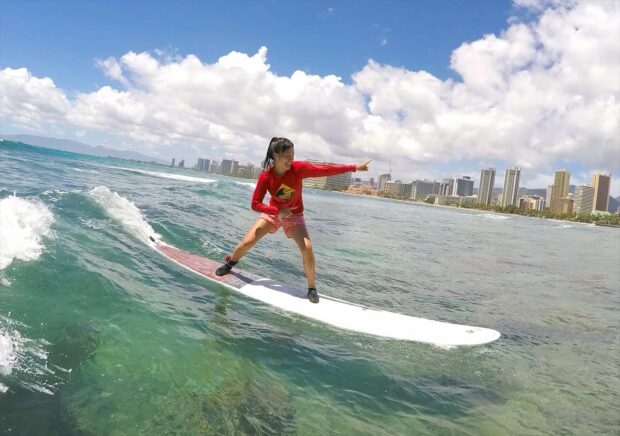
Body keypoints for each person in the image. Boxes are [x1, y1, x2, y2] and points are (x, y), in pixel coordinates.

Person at [215, 137, 370, 303]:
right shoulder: (266, 177)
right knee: (247, 243)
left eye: (293, 155)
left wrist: (354, 167)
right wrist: (277, 210)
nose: (291, 159)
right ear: (275, 155)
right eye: (287, 155)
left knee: (307, 248)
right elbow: (255, 204)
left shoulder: (298, 169)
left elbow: (325, 169)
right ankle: (230, 264)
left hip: (295, 216)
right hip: (274, 212)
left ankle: (311, 288)